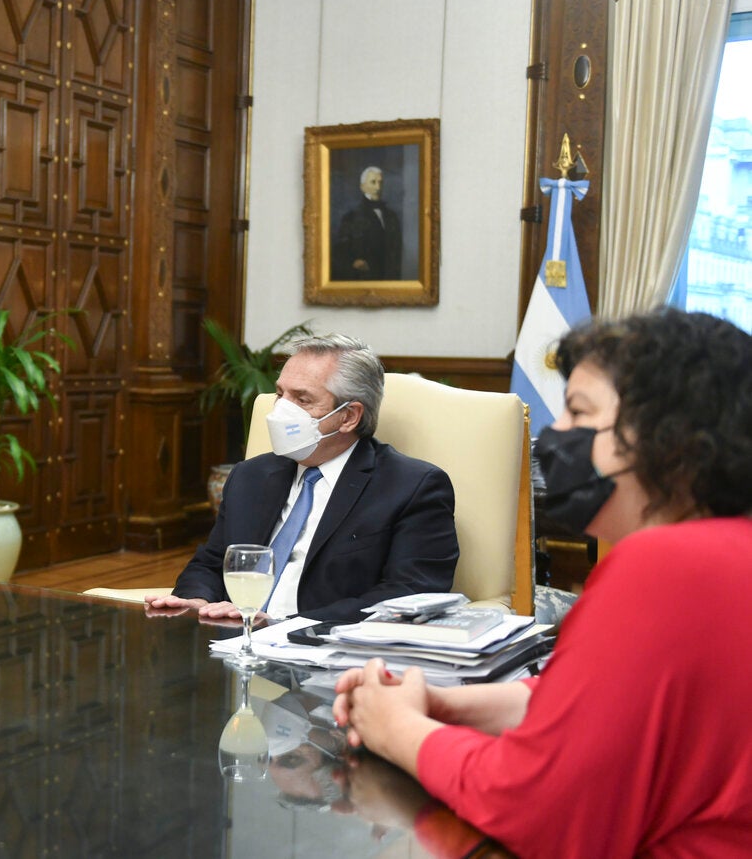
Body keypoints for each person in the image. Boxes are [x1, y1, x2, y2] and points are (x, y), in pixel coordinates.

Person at [333, 309, 752, 856]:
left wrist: (398, 729)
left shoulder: (665, 565)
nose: (557, 436)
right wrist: (447, 705)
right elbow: (604, 707)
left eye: (579, 412)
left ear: (669, 439)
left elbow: (533, 810)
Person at [147, 333, 458, 623]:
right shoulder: (250, 476)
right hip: (236, 639)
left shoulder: (413, 487)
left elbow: (406, 594)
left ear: (349, 416)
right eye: (280, 394)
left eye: (302, 399)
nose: (281, 410)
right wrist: (197, 600)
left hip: (327, 649)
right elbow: (212, 562)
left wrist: (284, 626)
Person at [332, 166, 402, 280]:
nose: (378, 187)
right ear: (363, 187)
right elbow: (341, 253)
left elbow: (396, 251)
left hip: (389, 279)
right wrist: (354, 262)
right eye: (373, 182)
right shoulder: (351, 217)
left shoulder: (392, 217)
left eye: (380, 182)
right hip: (364, 278)